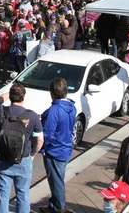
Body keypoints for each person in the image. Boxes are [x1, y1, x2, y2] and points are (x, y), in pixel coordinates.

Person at [0, 83, 44, 213]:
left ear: (11, 96)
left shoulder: (1, 111)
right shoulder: (32, 116)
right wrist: (32, 154)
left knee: (2, 196)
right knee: (23, 195)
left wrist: (7, 95)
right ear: (23, 97)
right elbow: (39, 140)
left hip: (3, 158)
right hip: (23, 158)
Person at [39, 78, 76, 213]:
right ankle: (53, 205)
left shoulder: (55, 110)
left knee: (56, 182)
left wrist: (42, 148)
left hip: (54, 151)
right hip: (65, 148)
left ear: (52, 93)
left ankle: (59, 208)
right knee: (57, 179)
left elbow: (47, 133)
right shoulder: (71, 107)